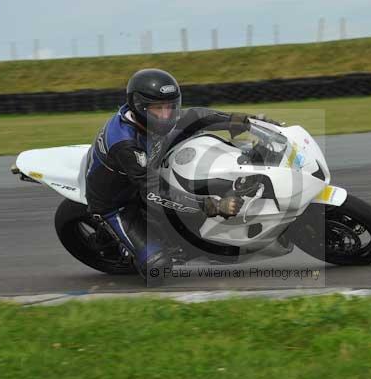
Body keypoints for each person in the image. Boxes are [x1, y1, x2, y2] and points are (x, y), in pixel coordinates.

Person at [85, 68, 264, 282]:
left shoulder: (152, 120)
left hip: (148, 171)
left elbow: (196, 116)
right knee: (158, 270)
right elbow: (154, 192)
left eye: (170, 107)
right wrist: (213, 206)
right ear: (140, 106)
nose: (166, 115)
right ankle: (133, 250)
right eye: (158, 109)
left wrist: (242, 121)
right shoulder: (125, 144)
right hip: (118, 202)